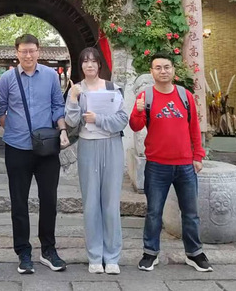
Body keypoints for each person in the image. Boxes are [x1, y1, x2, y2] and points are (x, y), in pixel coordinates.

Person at [129, 51, 212, 273]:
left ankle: (194, 253)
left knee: (191, 213)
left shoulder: (185, 96)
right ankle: (150, 253)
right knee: (154, 212)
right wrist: (138, 111)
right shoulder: (146, 96)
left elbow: (194, 128)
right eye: (158, 68)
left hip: (185, 164)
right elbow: (135, 126)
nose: (163, 71)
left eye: (166, 67)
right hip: (157, 165)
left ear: (173, 70)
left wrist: (198, 156)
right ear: (151, 72)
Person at [0, 34, 70, 275]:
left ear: (39, 51)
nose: (28, 55)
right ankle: (23, 252)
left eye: (32, 51)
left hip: (46, 149)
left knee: (49, 200)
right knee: (19, 201)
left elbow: (58, 106)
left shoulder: (50, 76)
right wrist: (13, 129)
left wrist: (62, 130)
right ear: (16, 53)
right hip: (17, 148)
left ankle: (48, 249)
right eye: (23, 51)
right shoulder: (7, 79)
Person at [65, 47, 128, 274]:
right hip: (88, 146)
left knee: (110, 203)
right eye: (85, 61)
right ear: (80, 65)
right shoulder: (77, 90)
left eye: (93, 61)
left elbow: (122, 119)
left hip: (111, 146)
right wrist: (73, 99)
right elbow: (71, 122)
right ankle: (94, 255)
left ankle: (112, 257)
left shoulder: (113, 88)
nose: (89, 65)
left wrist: (98, 118)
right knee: (91, 203)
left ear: (100, 64)